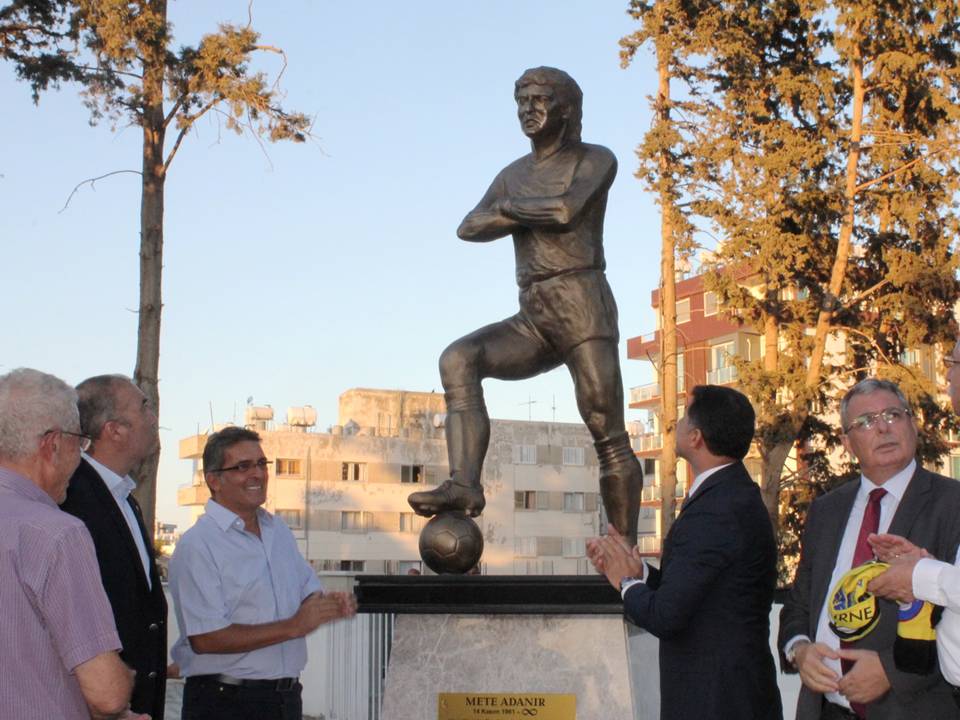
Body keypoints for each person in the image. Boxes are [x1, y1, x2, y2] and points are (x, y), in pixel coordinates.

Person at [407, 66, 643, 542]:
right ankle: (464, 485)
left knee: (605, 426)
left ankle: (625, 549)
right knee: (459, 358)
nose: (527, 111)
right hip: (533, 312)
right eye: (521, 102)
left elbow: (565, 210)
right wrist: (518, 208)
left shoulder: (595, 158)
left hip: (581, 302)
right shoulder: (512, 173)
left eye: (539, 101)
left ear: (568, 110)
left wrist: (510, 210)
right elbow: (469, 226)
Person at [588, 385, 782, 720]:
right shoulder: (729, 494)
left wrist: (624, 582)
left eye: (682, 417)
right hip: (733, 693)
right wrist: (641, 573)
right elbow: (700, 590)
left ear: (695, 437)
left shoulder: (717, 508)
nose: (675, 424)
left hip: (717, 700)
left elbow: (666, 616)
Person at [779, 378, 960, 719]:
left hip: (911, 709)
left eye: (894, 414)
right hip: (825, 709)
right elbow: (799, 604)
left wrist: (892, 671)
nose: (883, 428)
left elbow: (955, 610)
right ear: (847, 442)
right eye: (865, 422)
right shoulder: (827, 509)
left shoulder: (952, 503)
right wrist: (799, 650)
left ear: (913, 424)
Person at [169, 426, 357, 720]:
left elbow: (307, 588)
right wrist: (295, 626)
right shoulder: (198, 544)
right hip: (225, 704)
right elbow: (205, 639)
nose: (257, 473)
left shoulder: (277, 530)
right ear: (214, 480)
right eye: (243, 466)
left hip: (285, 700)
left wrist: (323, 605)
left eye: (261, 464)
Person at [0, 368, 146, 720]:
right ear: (52, 444)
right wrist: (123, 678)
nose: (80, 456)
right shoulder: (57, 534)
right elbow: (107, 694)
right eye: (79, 441)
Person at [61, 374, 168, 720]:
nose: (153, 418)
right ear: (114, 430)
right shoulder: (72, 498)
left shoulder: (124, 498)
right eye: (143, 407)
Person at [867, 338, 960, 693]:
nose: (947, 374)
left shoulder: (950, 497)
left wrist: (920, 575)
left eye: (952, 362)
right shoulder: (828, 508)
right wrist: (925, 563)